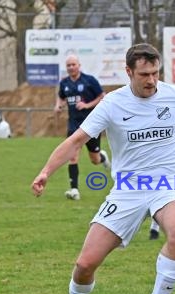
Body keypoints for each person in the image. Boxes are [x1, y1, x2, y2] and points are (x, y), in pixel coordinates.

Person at [32, 43, 175, 294]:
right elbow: (76, 140)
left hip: (167, 185)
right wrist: (45, 172)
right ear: (128, 72)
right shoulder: (112, 104)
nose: (151, 80)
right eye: (144, 74)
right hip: (127, 191)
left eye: (155, 73)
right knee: (85, 264)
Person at [54, 54, 109, 201]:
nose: (71, 67)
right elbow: (61, 97)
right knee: (72, 156)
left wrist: (86, 105)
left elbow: (102, 96)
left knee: (95, 160)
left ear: (79, 65)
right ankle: (74, 190)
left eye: (73, 64)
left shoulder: (89, 80)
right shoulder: (64, 83)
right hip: (74, 126)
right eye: (68, 65)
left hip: (91, 125)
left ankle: (102, 157)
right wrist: (58, 105)